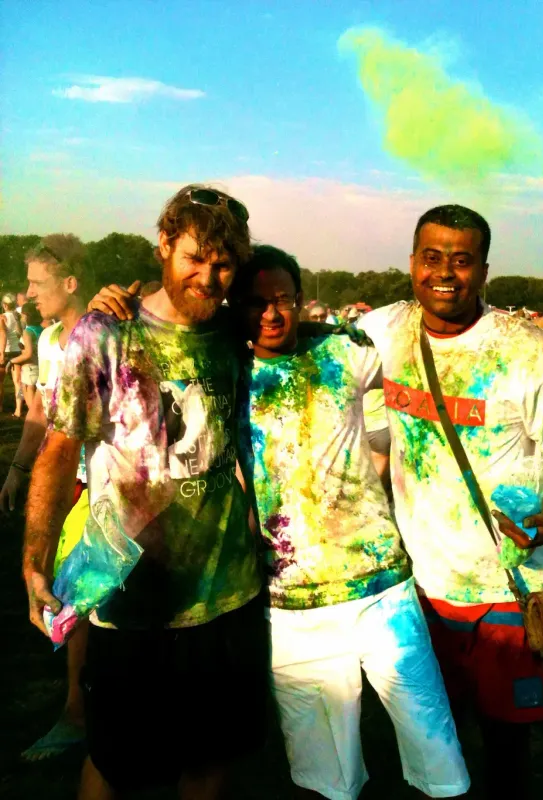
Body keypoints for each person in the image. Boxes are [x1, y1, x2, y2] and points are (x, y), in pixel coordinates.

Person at [23, 184, 267, 800]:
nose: (209, 277)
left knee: (209, 759)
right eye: (195, 258)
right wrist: (33, 560)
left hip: (226, 595)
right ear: (163, 244)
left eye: (223, 264)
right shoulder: (106, 334)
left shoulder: (232, 332)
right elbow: (57, 452)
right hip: (132, 599)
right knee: (113, 761)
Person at [359, 204, 543, 800]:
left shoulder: (524, 348)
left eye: (462, 261)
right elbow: (286, 337)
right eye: (432, 257)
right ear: (411, 263)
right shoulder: (385, 331)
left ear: (483, 270)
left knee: (506, 748)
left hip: (504, 591)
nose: (445, 273)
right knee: (435, 746)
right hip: (417, 590)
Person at [231, 244, 469, 800]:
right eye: (256, 301)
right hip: (290, 607)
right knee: (326, 775)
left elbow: (425, 327)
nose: (271, 313)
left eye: (283, 299)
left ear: (300, 301)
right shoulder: (223, 372)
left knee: (437, 750)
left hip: (383, 588)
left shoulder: (346, 350)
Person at [0, 237, 91, 762]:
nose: (30, 293)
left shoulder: (113, 336)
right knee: (70, 593)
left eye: (38, 282)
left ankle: (78, 713)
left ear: (71, 282)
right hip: (65, 483)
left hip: (103, 489)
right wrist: (18, 467)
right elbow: (40, 409)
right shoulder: (54, 340)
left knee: (75, 596)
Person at [5, 302, 44, 413]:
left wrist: (12, 361)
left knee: (31, 405)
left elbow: (28, 354)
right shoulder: (39, 329)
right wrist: (17, 321)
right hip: (38, 366)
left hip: (29, 368)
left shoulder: (28, 331)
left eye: (22, 315)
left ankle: (37, 426)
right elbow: (24, 338)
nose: (21, 317)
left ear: (26, 315)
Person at [0, 293, 23, 414]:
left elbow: (3, 335)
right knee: (18, 382)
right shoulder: (18, 316)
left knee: (0, 382)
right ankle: (18, 409)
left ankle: (0, 407)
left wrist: (2, 354)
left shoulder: (2, 317)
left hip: (5, 351)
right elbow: (20, 333)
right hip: (17, 351)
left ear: (4, 305)